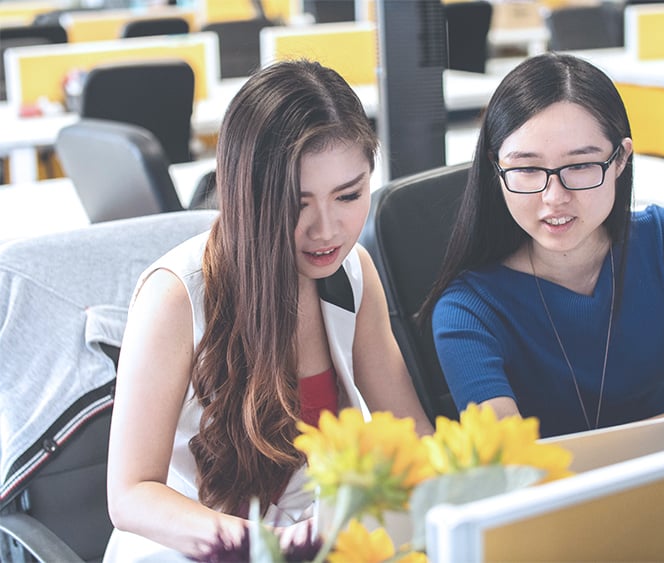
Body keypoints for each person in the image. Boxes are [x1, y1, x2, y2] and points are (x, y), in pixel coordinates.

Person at [104, 59, 433, 562]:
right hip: (192, 545)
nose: (327, 229)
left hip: (306, 540)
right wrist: (263, 548)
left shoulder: (352, 274)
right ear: (247, 194)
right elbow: (131, 495)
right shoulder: (175, 297)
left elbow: (411, 436)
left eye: (349, 195)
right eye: (297, 202)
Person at [422, 52, 664, 445]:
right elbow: (512, 465)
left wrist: (617, 454)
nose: (554, 197)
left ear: (621, 159)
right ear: (496, 168)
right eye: (527, 169)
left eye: (580, 166)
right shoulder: (467, 310)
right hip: (563, 500)